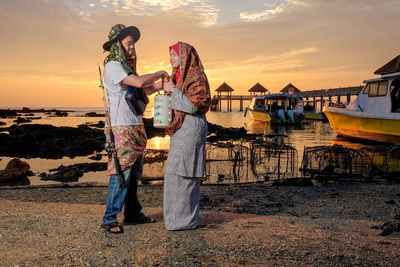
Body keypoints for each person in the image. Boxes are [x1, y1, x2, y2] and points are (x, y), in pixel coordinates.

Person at [101, 24, 168, 234]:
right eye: (129, 43)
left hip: (135, 126)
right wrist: (159, 72)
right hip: (121, 126)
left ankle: (132, 214)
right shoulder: (113, 65)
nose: (132, 47)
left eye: (133, 44)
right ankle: (110, 218)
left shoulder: (126, 67)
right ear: (117, 45)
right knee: (121, 173)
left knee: (134, 173)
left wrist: (160, 85)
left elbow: (143, 89)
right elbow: (138, 83)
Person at [162, 42, 211, 230]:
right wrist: (169, 89)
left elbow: (195, 105)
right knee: (175, 172)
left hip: (191, 128)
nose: (171, 59)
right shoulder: (180, 77)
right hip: (181, 129)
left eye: (174, 55)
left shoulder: (196, 76)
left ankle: (184, 221)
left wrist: (173, 90)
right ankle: (177, 220)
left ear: (185, 56)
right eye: (170, 55)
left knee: (185, 171)